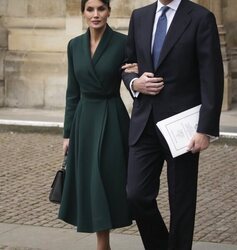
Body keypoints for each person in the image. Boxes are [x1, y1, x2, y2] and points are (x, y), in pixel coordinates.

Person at [122, 0, 224, 249]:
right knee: (135, 195)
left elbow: (212, 76)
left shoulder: (201, 18)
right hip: (144, 122)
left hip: (183, 127)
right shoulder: (140, 16)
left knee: (181, 202)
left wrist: (204, 129)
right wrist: (135, 83)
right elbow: (127, 65)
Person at [58, 1, 137, 249]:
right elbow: (72, 92)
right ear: (83, 12)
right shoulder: (74, 46)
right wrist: (67, 133)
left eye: (101, 9)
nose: (95, 15)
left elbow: (132, 78)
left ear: (109, 12)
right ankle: (103, 243)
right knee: (89, 181)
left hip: (112, 117)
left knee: (108, 178)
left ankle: (104, 243)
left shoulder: (123, 43)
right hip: (84, 120)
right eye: (90, 9)